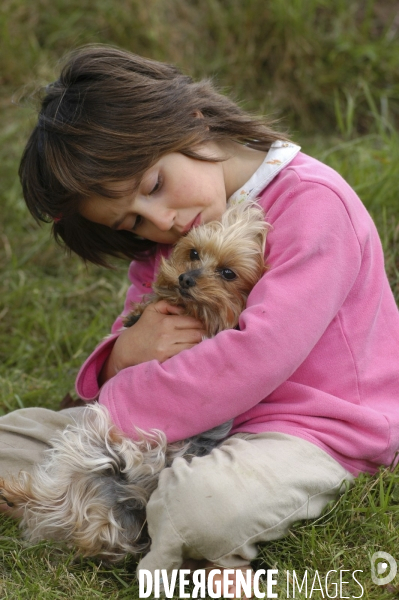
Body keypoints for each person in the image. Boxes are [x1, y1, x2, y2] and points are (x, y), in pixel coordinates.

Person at [2, 44, 399, 596]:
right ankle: (112, 500)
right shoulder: (171, 234)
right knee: (12, 436)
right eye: (133, 222)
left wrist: (112, 417)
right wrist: (122, 354)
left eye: (153, 186)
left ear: (189, 121)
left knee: (200, 505)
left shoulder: (316, 205)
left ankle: (167, 533)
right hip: (188, 423)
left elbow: (255, 357)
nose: (162, 221)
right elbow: (138, 326)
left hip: (307, 427)